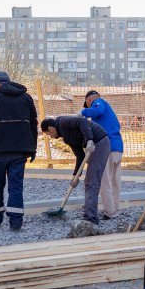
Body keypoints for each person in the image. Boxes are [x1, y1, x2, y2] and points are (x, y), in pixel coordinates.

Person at [0, 71, 38, 231]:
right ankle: (16, 223)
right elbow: (33, 124)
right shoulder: (26, 98)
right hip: (19, 151)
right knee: (16, 187)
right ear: (9, 82)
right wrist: (33, 148)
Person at [40, 116, 110, 225]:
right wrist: (75, 176)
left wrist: (89, 139)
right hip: (94, 144)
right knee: (89, 182)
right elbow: (80, 156)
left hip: (99, 142)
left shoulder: (63, 122)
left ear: (51, 129)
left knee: (91, 182)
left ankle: (90, 219)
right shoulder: (67, 138)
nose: (51, 137)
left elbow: (81, 121)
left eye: (48, 134)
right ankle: (90, 216)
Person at [79, 90, 123, 220]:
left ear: (88, 100)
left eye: (88, 106)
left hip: (108, 148)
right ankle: (115, 208)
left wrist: (82, 112)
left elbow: (97, 110)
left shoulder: (99, 103)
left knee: (105, 181)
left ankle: (110, 212)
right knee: (115, 181)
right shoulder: (109, 111)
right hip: (118, 147)